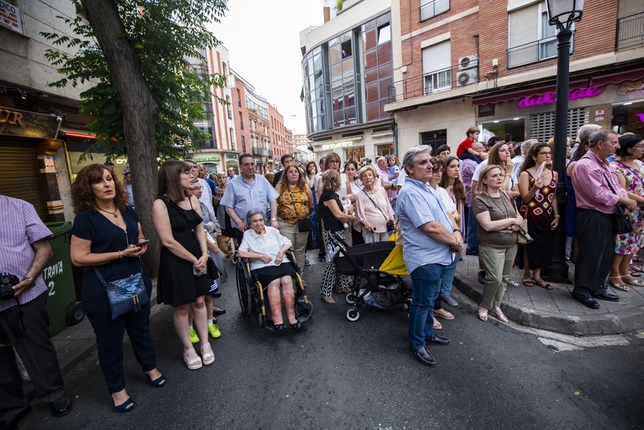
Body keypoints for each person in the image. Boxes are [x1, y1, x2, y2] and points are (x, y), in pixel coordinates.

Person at [69, 164, 161, 412]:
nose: (107, 184)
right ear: (88, 188)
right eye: (99, 181)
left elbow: (139, 236)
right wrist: (120, 254)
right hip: (103, 288)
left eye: (109, 179)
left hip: (134, 280)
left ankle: (150, 368)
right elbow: (78, 257)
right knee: (110, 341)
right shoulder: (85, 218)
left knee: (141, 329)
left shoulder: (127, 210)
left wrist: (141, 247)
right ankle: (117, 389)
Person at [0, 195, 72, 426]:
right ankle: (12, 406)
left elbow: (44, 250)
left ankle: (53, 394)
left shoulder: (20, 207)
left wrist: (29, 279)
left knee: (37, 347)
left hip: (27, 295)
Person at [398, 146, 462, 367]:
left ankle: (427, 334)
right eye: (423, 163)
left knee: (429, 300)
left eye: (430, 161)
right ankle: (416, 343)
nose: (430, 165)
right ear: (409, 169)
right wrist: (454, 242)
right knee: (422, 302)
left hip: (439, 255)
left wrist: (456, 232)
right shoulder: (410, 192)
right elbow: (431, 227)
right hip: (425, 259)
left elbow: (445, 215)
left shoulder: (427, 187)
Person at [152, 160, 214, 370]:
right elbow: (167, 240)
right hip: (177, 260)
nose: (191, 176)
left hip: (198, 257)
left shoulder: (192, 199)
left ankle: (205, 344)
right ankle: (188, 349)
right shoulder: (160, 204)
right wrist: (193, 259)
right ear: (173, 177)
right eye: (186, 173)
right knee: (182, 306)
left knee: (199, 301)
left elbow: (199, 230)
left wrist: (205, 254)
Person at [571, 130, 637, 309]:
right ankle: (582, 290)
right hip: (593, 215)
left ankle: (596, 286)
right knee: (590, 254)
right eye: (614, 142)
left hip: (608, 214)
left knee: (606, 254)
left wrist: (623, 200)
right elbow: (597, 193)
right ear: (600, 144)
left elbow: (617, 186)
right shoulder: (585, 165)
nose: (618, 146)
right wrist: (623, 200)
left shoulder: (605, 164)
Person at [473, 165, 522, 322]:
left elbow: (518, 215)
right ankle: (484, 305)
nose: (499, 178)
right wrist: (511, 221)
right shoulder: (480, 199)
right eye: (494, 176)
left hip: (511, 243)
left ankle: (496, 305)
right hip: (492, 245)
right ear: (485, 180)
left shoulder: (507, 195)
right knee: (494, 278)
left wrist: (517, 221)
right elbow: (487, 225)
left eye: (501, 175)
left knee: (504, 277)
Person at [238, 210, 301, 331]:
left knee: (287, 280)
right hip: (262, 266)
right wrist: (259, 256)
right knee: (274, 282)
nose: (258, 223)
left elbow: (287, 242)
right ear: (250, 223)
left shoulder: (273, 231)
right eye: (255, 221)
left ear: (264, 220)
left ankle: (292, 317)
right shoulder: (248, 235)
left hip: (280, 262)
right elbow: (241, 252)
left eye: (261, 220)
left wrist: (281, 253)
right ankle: (277, 319)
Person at [517, 143, 559, 289]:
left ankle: (538, 275)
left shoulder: (554, 174)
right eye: (543, 153)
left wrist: (557, 215)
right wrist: (535, 187)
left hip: (547, 215)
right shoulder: (526, 174)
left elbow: (553, 197)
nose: (548, 156)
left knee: (545, 245)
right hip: (532, 214)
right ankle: (527, 274)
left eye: (549, 153)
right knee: (530, 244)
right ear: (534, 157)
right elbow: (525, 199)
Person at [189, 179, 225, 341]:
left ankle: (210, 322)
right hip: (190, 258)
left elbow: (214, 225)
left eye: (200, 188)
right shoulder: (186, 209)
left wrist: (205, 229)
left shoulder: (203, 206)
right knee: (192, 299)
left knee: (209, 295)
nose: (199, 191)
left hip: (206, 257)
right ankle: (190, 327)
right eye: (195, 188)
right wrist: (206, 227)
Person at [608, 134, 644, 291]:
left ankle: (625, 271)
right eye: (640, 146)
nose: (643, 149)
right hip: (628, 209)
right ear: (629, 148)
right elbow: (621, 190)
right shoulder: (615, 167)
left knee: (635, 241)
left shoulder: (639, 164)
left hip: (640, 211)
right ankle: (614, 273)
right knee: (623, 241)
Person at [221, 153, 279, 246]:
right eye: (246, 164)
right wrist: (239, 222)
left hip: (262, 226)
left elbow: (273, 200)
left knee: (266, 251)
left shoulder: (262, 180)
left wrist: (273, 219)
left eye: (252, 164)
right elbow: (228, 207)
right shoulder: (233, 184)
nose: (250, 167)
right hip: (243, 228)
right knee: (247, 255)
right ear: (240, 167)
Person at [318, 169, 357, 304]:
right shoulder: (328, 196)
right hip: (332, 233)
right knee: (332, 263)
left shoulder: (332, 195)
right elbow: (339, 215)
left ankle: (342, 286)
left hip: (337, 232)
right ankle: (325, 292)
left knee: (340, 259)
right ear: (334, 181)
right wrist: (353, 218)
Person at [427, 158, 457, 325]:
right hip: (436, 241)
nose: (439, 174)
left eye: (440, 171)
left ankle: (436, 305)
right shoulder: (422, 192)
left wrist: (457, 233)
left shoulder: (442, 191)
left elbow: (450, 213)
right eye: (435, 171)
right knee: (432, 278)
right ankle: (428, 310)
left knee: (443, 274)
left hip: (449, 239)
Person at [438, 156, 467, 307]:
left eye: (458, 166)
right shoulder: (439, 190)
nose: (456, 169)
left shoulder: (459, 187)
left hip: (458, 230)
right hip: (445, 231)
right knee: (441, 263)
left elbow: (461, 210)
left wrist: (461, 231)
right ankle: (437, 294)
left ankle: (445, 292)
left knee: (453, 264)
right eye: (453, 166)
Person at [275, 164, 313, 273]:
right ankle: (290, 276)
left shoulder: (305, 186)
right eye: (290, 172)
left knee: (300, 250)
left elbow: (310, 203)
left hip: (302, 223)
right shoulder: (280, 187)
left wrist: (301, 212)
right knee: (288, 249)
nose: (293, 174)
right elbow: (273, 203)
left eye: (296, 171)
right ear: (286, 174)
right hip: (285, 224)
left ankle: (299, 276)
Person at [355, 165, 395, 243]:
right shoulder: (359, 195)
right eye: (364, 176)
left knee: (385, 251)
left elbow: (388, 208)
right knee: (373, 252)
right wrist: (365, 223)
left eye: (370, 175)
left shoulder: (381, 190)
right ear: (361, 180)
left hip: (385, 228)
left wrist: (392, 220)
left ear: (374, 177)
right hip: (371, 230)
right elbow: (359, 214)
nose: (368, 178)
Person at [461, 140, 486, 256]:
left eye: (483, 148)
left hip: (478, 197)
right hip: (473, 197)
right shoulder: (469, 163)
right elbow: (483, 175)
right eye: (479, 148)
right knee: (473, 223)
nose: (482, 150)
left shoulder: (477, 162)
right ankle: (471, 246)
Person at [344, 160, 364, 246]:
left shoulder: (359, 182)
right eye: (348, 169)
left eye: (352, 169)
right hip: (352, 213)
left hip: (362, 211)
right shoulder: (343, 183)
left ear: (356, 170)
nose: (350, 171)